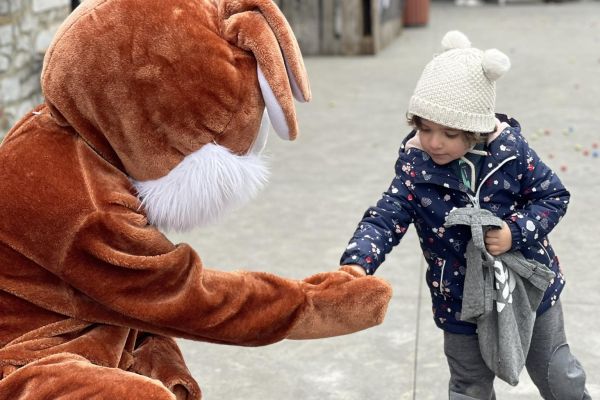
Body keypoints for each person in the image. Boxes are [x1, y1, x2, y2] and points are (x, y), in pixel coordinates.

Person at [340, 30, 590, 399]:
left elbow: (553, 196)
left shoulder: (512, 155)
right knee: (468, 385)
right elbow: (385, 216)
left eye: (449, 133)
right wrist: (359, 262)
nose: (434, 142)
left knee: (556, 372)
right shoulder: (416, 169)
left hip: (528, 289)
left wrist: (514, 232)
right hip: (458, 298)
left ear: (475, 130)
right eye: (424, 128)